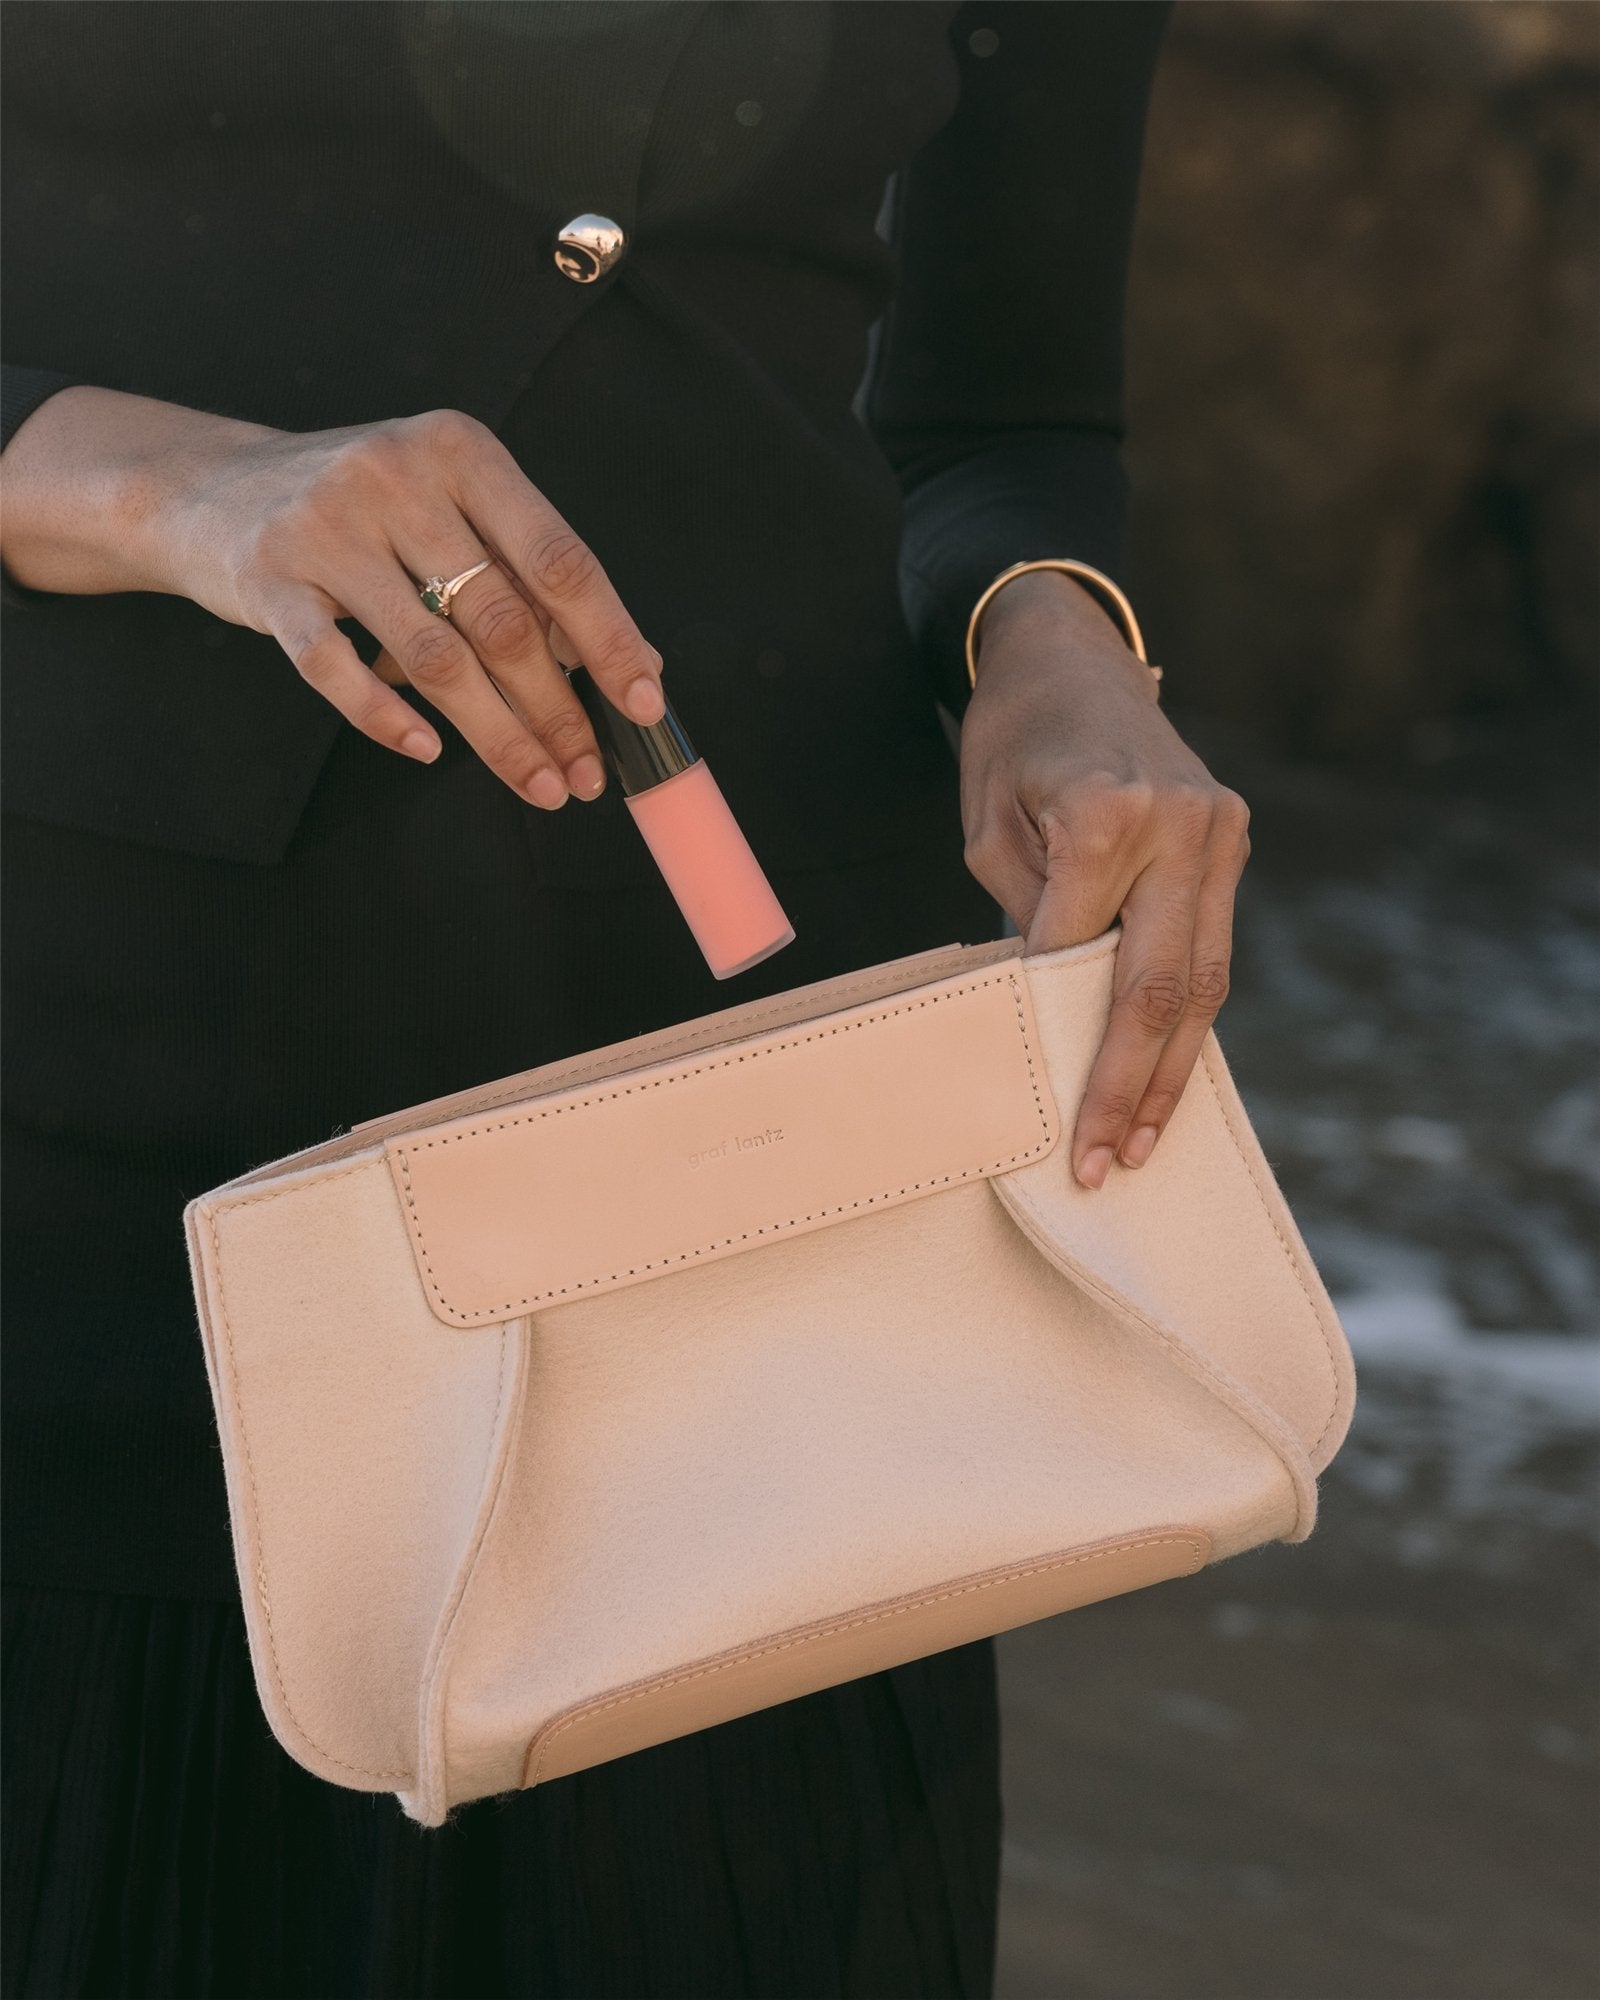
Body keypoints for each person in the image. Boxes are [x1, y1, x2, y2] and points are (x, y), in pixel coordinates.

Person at [0, 4, 1250, 1994]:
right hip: (93, 1123)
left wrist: (1057, 648)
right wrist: (178, 490)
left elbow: (1002, 424)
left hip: (753, 1178)